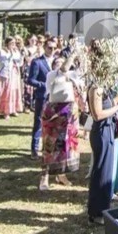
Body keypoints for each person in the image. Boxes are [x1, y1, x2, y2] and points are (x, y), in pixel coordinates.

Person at [85, 41, 118, 226]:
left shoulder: (104, 86)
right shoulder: (96, 88)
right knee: (101, 171)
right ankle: (96, 212)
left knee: (107, 171)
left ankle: (103, 207)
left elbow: (110, 104)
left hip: (109, 130)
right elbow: (97, 115)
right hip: (101, 132)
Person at [39, 57, 80, 190]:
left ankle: (61, 174)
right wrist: (74, 53)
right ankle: (44, 177)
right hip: (53, 112)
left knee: (65, 145)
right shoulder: (52, 75)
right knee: (49, 145)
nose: (61, 65)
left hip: (68, 111)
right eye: (57, 62)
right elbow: (63, 70)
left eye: (63, 62)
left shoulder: (72, 75)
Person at [27, 38, 56, 158]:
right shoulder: (37, 62)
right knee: (39, 122)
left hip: (55, 97)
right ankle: (34, 148)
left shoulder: (57, 61)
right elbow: (30, 80)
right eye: (50, 47)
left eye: (54, 48)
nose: (52, 50)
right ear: (44, 47)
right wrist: (43, 85)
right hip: (42, 96)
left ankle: (48, 147)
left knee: (53, 123)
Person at [0, 37, 25, 117]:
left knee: (14, 91)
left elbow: (19, 63)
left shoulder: (16, 51)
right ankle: (6, 111)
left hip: (15, 73)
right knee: (7, 91)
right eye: (11, 43)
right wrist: (11, 53)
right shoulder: (3, 51)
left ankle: (13, 109)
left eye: (14, 43)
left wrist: (22, 56)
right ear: (7, 44)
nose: (13, 45)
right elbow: (5, 59)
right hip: (6, 74)